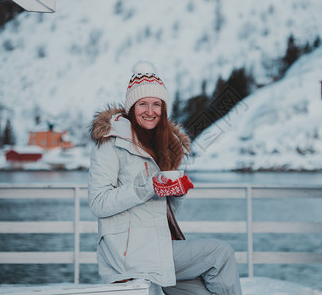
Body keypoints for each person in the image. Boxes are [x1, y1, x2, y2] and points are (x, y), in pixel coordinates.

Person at [88, 61, 242, 294]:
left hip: (160, 247)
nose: (150, 111)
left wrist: (176, 192)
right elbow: (98, 203)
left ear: (163, 108)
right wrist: (148, 186)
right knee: (220, 253)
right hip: (129, 254)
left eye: (156, 104)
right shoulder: (111, 142)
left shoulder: (166, 145)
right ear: (132, 107)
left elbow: (163, 213)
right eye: (143, 104)